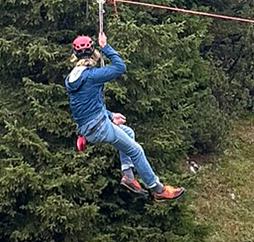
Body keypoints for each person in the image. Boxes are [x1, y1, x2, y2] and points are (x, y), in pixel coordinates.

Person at [65, 32, 185, 201]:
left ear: (74, 56)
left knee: (128, 132)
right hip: (99, 128)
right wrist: (106, 46)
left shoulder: (71, 78)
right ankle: (158, 189)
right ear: (93, 53)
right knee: (136, 150)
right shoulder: (92, 76)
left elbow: (87, 107)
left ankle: (128, 175)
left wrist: (111, 115)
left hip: (90, 127)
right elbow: (120, 67)